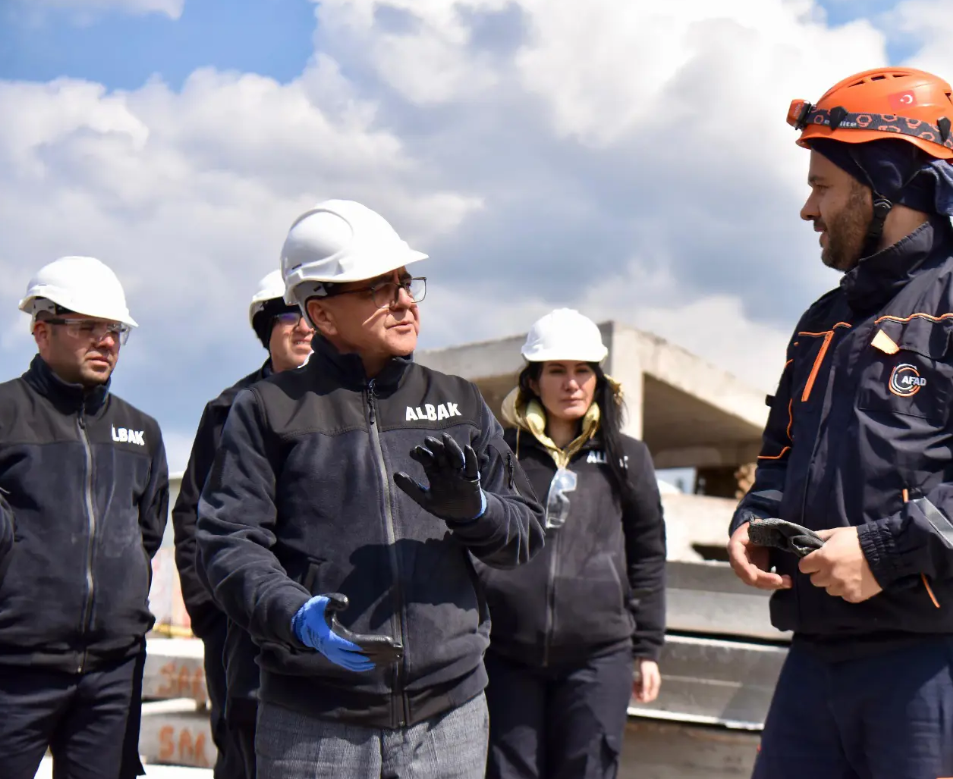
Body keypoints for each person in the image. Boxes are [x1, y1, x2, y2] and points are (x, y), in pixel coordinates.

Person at [727, 67, 953, 779]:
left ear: (885, 185)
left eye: (823, 186)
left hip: (946, 658)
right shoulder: (825, 321)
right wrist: (756, 519)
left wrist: (883, 552)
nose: (807, 208)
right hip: (817, 659)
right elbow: (781, 457)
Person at [196, 198, 547, 779]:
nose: (405, 301)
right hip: (313, 724)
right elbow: (228, 544)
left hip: (450, 719)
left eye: (405, 282)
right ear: (322, 314)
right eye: (379, 288)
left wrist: (477, 510)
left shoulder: (459, 401)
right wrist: (296, 616)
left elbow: (525, 532)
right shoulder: (267, 410)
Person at [0, 256, 169, 779]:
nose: (106, 341)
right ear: (41, 331)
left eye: (114, 329)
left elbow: (146, 534)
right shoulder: (5, 415)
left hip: (111, 675)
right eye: (88, 327)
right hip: (13, 670)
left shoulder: (141, 432)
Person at [481, 308, 667, 779]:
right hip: (507, 655)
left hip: (599, 657)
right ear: (533, 381)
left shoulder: (628, 457)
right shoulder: (500, 453)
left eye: (583, 370)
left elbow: (648, 553)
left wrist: (647, 649)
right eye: (556, 371)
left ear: (598, 379)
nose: (571, 384)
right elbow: (474, 539)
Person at [171, 269, 314, 779]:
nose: (305, 326)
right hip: (240, 630)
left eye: (313, 313)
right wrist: (213, 614)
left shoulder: (348, 405)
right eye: (290, 315)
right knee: (241, 749)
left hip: (321, 622)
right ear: (265, 328)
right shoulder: (226, 412)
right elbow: (192, 515)